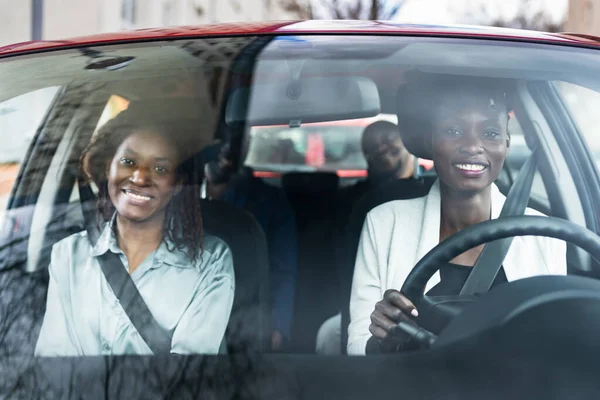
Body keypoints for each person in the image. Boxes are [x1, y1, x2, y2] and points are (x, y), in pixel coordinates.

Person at [347, 74, 567, 355]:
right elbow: (355, 348)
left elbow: (554, 346)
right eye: (452, 131)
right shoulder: (383, 222)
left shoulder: (544, 233)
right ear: (431, 141)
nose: (472, 146)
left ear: (507, 143)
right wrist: (382, 339)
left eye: (490, 133)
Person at [35, 107, 235, 356]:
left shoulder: (211, 261)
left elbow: (187, 377)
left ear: (177, 185)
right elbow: (53, 367)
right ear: (109, 168)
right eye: (128, 162)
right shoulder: (67, 255)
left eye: (160, 169)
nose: (140, 177)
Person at [315, 120, 418, 355]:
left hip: (424, 303)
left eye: (389, 141)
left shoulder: (441, 195)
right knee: (329, 336)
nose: (382, 148)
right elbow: (345, 268)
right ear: (366, 155)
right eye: (373, 146)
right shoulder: (353, 204)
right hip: (364, 305)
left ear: (408, 145)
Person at [204, 139, 298, 352]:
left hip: (245, 323)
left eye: (237, 138)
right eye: (219, 138)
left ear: (248, 144)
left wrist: (278, 326)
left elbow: (283, 269)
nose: (228, 146)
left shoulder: (270, 200)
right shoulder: (177, 193)